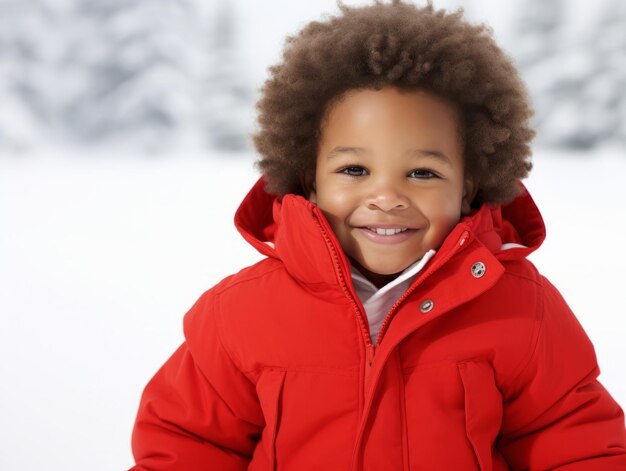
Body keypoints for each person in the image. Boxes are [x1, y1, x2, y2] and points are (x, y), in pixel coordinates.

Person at [130, 2, 626, 469]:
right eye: (354, 169)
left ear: (469, 184)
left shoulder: (522, 310)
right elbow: (187, 443)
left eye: (423, 174)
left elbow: (576, 444)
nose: (386, 196)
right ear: (310, 178)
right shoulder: (239, 315)